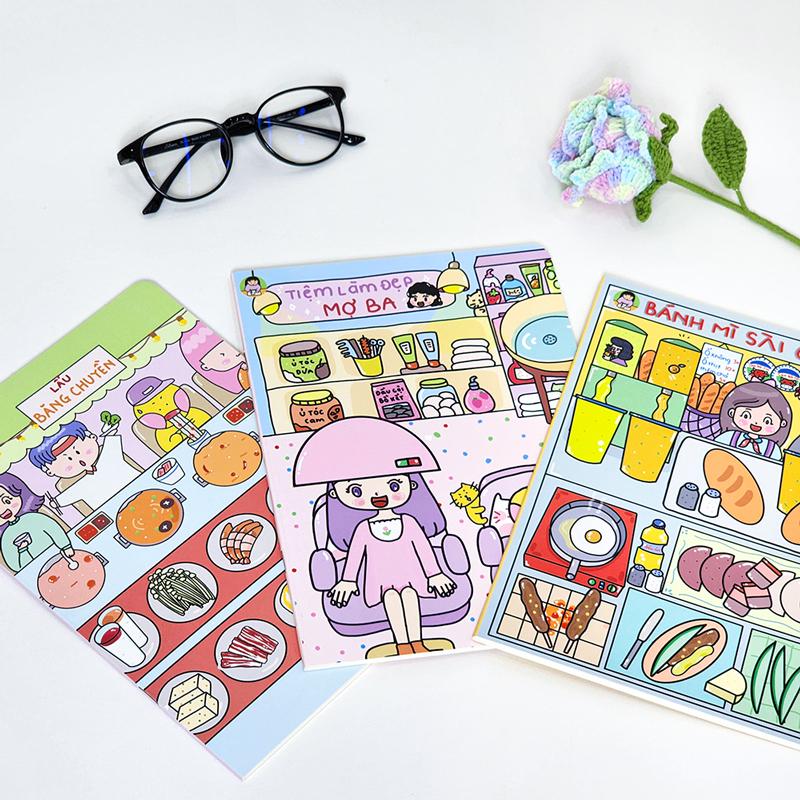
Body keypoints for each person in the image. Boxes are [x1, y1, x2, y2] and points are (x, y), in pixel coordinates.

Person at [293, 417, 456, 655]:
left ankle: (417, 642)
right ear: (336, 493)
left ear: (411, 484)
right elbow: (355, 557)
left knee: (410, 595)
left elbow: (424, 550)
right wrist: (348, 581)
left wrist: (435, 575)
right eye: (356, 490)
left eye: (394, 485)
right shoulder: (362, 529)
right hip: (380, 577)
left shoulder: (409, 522)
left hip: (412, 572)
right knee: (390, 597)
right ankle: (403, 644)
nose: (379, 495)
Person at [28, 420, 141, 514]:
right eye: (68, 459)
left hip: (142, 490)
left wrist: (109, 432)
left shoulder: (108, 454)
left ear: (92, 437)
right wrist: (57, 502)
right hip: (118, 512)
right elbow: (64, 498)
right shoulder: (79, 487)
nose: (77, 458)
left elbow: (111, 439)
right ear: (49, 471)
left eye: (78, 451)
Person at [0, 473, 74, 573]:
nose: (4, 510)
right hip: (39, 572)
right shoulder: (6, 537)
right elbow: (16, 566)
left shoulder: (33, 518)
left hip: (62, 556)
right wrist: (23, 550)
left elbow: (54, 530)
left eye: (7, 500)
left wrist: (66, 546)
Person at [714, 381, 792, 460]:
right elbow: (713, 451)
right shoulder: (729, 436)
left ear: (782, 423)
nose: (756, 423)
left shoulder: (772, 449)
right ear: (732, 412)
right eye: (746, 415)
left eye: (767, 421)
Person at [180, 323, 249, 394]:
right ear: (205, 366)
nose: (233, 356)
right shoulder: (238, 377)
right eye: (222, 355)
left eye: (237, 355)